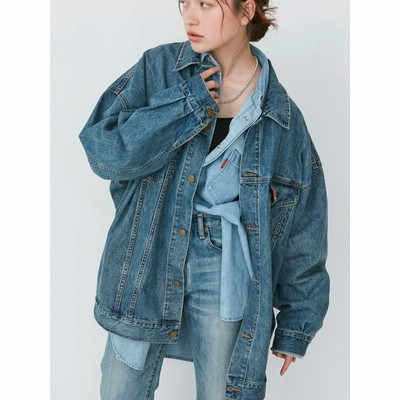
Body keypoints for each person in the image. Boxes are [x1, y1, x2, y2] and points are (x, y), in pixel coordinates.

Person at [79, 1, 330, 399]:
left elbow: (302, 221)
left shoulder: (278, 115)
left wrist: (297, 323)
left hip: (225, 266)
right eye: (185, 4)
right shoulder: (159, 70)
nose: (190, 18)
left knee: (221, 391)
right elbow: (103, 151)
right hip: (148, 254)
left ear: (246, 11)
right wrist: (185, 105)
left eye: (206, 5)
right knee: (119, 389)